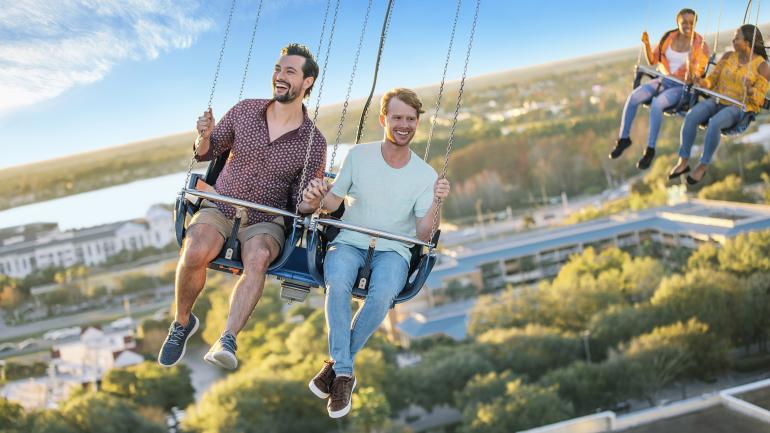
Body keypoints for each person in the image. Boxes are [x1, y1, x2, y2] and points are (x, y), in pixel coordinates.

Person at [157, 43, 327, 370]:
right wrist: (203, 136)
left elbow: (301, 204)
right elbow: (207, 152)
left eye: (289, 71)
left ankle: (228, 339)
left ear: (307, 82)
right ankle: (181, 324)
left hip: (266, 219)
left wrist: (311, 202)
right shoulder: (245, 110)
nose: (279, 76)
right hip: (222, 205)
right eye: (278, 69)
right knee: (194, 251)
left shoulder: (313, 142)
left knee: (259, 257)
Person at [300, 88, 450, 418]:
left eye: (411, 119)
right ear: (384, 119)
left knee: (383, 295)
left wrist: (437, 200)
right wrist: (318, 197)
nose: (404, 125)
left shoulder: (425, 175)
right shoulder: (358, 156)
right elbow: (333, 204)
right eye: (397, 117)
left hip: (394, 249)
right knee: (337, 282)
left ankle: (337, 369)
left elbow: (424, 234)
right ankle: (344, 373)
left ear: (417, 123)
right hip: (351, 239)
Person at [610, 8, 710, 169]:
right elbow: (652, 60)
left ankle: (650, 149)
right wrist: (647, 44)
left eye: (692, 23)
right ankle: (624, 138)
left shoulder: (701, 46)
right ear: (677, 22)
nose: (688, 25)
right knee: (633, 97)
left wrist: (691, 65)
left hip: (681, 88)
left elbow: (696, 80)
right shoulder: (668, 38)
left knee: (657, 104)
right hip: (663, 80)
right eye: (684, 22)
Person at [670, 24, 770, 184]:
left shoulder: (762, 66)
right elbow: (713, 79)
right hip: (717, 99)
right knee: (691, 116)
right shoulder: (728, 56)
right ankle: (683, 161)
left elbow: (759, 100)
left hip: (737, 107)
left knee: (714, 123)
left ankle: (702, 166)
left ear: (747, 42)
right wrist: (702, 83)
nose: (733, 40)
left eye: (736, 38)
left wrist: (750, 90)